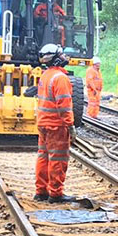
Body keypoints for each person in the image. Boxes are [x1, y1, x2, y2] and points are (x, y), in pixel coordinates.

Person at [33, 43, 75, 203]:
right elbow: (64, 106)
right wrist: (70, 126)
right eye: (62, 54)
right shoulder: (61, 78)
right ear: (56, 59)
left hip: (43, 124)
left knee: (43, 157)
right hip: (57, 126)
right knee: (58, 159)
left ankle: (41, 191)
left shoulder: (46, 75)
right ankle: (55, 193)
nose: (65, 57)